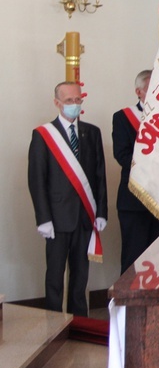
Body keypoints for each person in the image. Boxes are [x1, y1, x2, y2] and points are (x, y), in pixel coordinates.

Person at [28, 81, 108, 316]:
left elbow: (99, 175)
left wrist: (101, 211)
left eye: (78, 100)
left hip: (85, 216)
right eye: (69, 101)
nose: (75, 105)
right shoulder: (43, 135)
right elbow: (37, 180)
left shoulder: (91, 133)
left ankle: (79, 322)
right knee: (54, 275)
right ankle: (53, 324)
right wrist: (43, 218)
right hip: (56, 219)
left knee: (80, 275)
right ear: (57, 103)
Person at [112, 70, 159, 274]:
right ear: (139, 91)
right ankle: (129, 306)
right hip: (134, 201)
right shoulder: (123, 118)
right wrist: (153, 167)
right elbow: (122, 155)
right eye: (151, 88)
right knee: (134, 259)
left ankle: (157, 307)